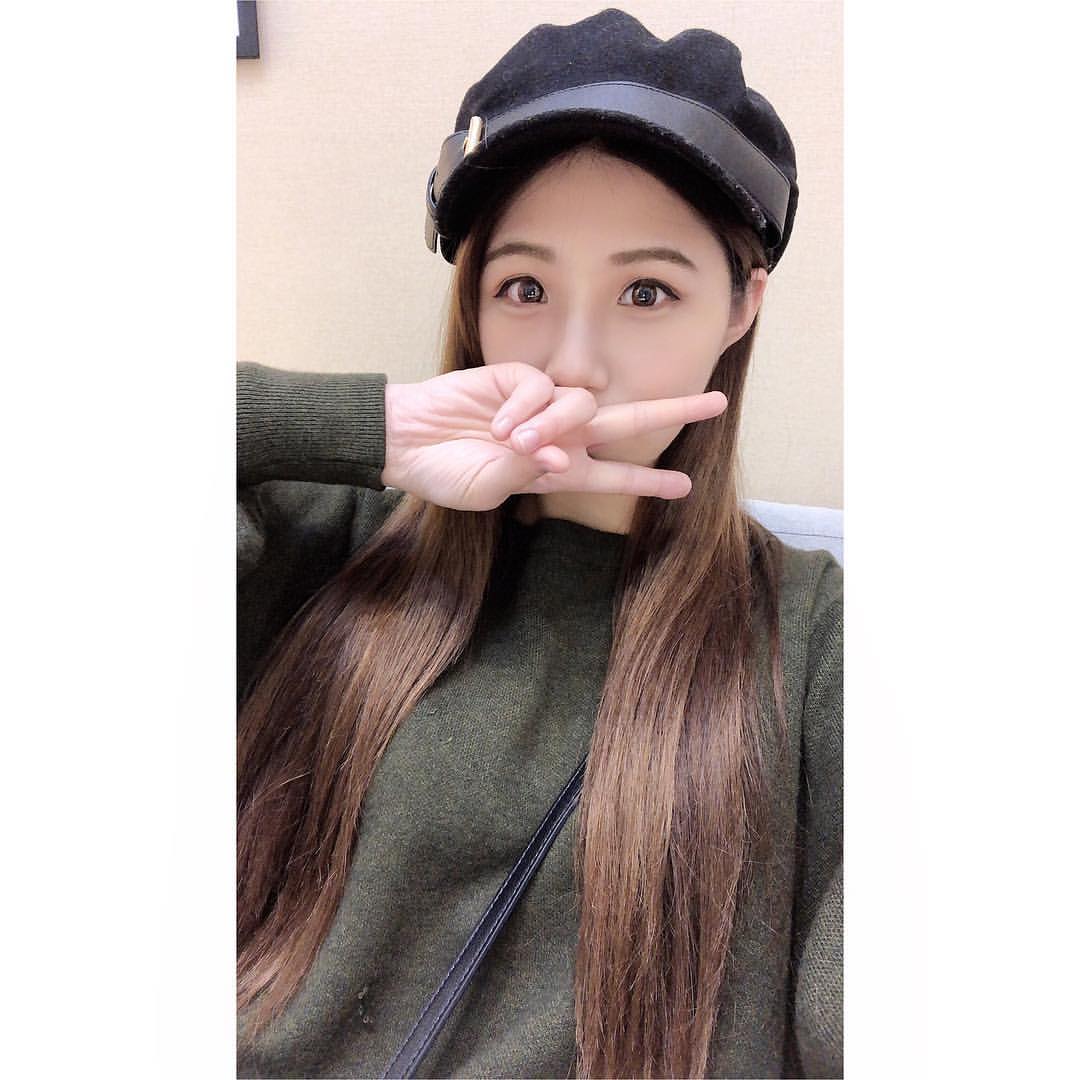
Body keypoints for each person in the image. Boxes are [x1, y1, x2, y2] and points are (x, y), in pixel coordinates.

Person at [237, 8, 842, 1079]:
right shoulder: (324, 537)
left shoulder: (814, 636)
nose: (574, 362)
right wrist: (374, 429)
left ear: (741, 304)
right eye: (525, 287)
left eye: (647, 291)